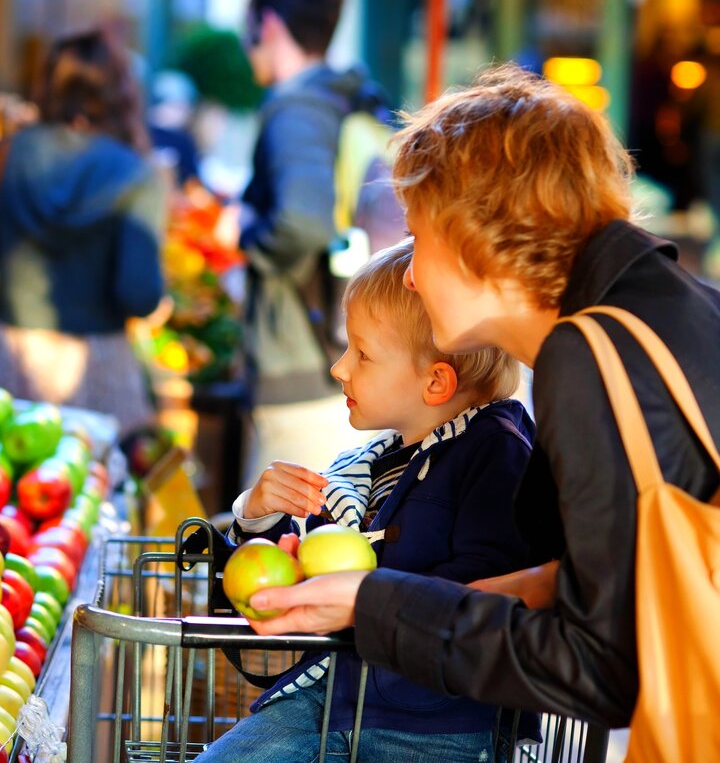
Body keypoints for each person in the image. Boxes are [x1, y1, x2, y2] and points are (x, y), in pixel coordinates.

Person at [245, 64, 720, 731]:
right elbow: (621, 575)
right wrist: (400, 600)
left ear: (480, 237)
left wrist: (373, 603)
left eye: (419, 236)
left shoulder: (590, 356)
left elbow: (596, 665)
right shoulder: (665, 302)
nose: (409, 276)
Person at [202, 241, 536, 762]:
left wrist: (371, 595)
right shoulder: (370, 463)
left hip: (436, 728)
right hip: (324, 700)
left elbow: (490, 589)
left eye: (361, 353)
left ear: (435, 381)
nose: (339, 368)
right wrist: (259, 515)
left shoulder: (495, 454)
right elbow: (294, 570)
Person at [0, 29, 166, 437]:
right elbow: (140, 293)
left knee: (2, 483)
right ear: (120, 91)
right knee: (95, 488)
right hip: (97, 364)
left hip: (12, 356)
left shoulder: (10, 152)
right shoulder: (133, 172)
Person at [227, 0, 371, 481]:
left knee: (273, 544)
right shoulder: (338, 98)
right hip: (325, 360)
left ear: (267, 26)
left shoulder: (296, 109)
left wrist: (246, 235)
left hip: (301, 370)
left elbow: (301, 222)